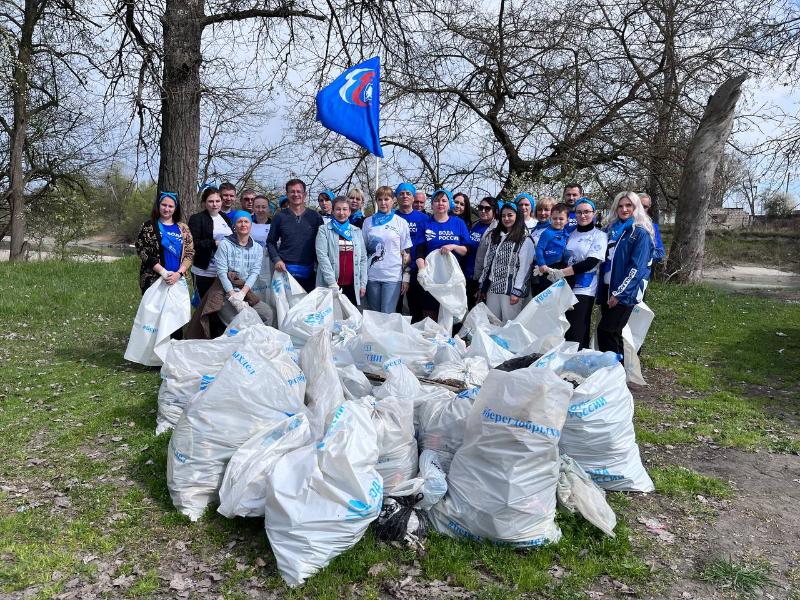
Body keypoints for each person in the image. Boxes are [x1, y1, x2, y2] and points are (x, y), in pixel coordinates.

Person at [596, 191, 655, 357]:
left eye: (629, 205)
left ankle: (611, 372)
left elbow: (637, 268)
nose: (624, 209)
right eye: (620, 206)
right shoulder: (611, 230)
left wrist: (620, 294)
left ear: (636, 207)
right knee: (614, 334)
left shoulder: (640, 233)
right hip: (608, 288)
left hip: (623, 293)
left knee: (606, 331)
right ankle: (619, 375)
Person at [545, 198, 607, 349]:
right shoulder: (570, 234)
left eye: (586, 212)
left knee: (578, 328)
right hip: (565, 287)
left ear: (593, 213)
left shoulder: (599, 235)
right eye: (579, 212)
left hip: (585, 288)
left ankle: (578, 362)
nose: (583, 215)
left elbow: (591, 262)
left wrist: (561, 273)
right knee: (565, 328)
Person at [135, 191, 195, 338]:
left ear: (176, 208)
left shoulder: (183, 228)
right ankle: (154, 357)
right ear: (158, 206)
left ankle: (173, 353)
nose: (167, 209)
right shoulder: (148, 226)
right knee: (155, 320)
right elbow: (142, 251)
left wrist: (179, 273)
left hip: (177, 280)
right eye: (164, 205)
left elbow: (189, 253)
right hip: (154, 279)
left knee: (175, 319)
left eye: (170, 206)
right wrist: (163, 272)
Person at [414, 189, 471, 321]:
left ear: (449, 203)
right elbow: (419, 251)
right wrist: (422, 270)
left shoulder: (458, 223)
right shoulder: (425, 224)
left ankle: (448, 340)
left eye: (444, 200)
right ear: (432, 204)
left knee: (450, 314)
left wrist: (454, 246)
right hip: (431, 276)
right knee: (430, 313)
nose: (440, 203)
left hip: (452, 277)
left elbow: (466, 250)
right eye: (437, 200)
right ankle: (431, 339)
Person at [477, 201, 535, 321]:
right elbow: (488, 262)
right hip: (493, 287)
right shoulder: (496, 236)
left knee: (510, 324)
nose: (506, 218)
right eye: (503, 216)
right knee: (492, 322)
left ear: (517, 216)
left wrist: (517, 290)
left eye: (510, 215)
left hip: (510, 289)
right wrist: (483, 285)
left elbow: (525, 268)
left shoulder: (524, 238)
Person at [215, 211, 273, 326]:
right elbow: (221, 272)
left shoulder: (257, 248)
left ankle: (263, 342)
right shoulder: (225, 244)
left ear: (251, 225)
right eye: (239, 222)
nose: (243, 224)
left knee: (267, 313)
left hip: (244, 291)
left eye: (246, 221)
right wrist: (233, 296)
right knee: (240, 322)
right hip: (226, 292)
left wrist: (242, 293)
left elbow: (254, 273)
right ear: (234, 225)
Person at [267, 179, 324, 292]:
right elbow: (270, 241)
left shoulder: (315, 217)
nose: (296, 194)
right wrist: (277, 260)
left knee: (308, 307)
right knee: (286, 308)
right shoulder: (279, 217)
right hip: (285, 270)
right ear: (287, 194)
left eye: (299, 191)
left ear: (305, 194)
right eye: (292, 191)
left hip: (310, 271)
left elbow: (322, 244)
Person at [362, 186, 412, 313]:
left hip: (392, 276)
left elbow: (406, 252)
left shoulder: (401, 222)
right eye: (380, 199)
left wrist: (406, 277)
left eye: (386, 199)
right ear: (376, 201)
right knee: (374, 314)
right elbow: (363, 251)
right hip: (372, 276)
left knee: (387, 314)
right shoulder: (368, 222)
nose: (383, 203)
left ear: (393, 200)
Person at [316, 196, 368, 307]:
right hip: (331, 285)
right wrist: (331, 283)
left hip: (352, 286)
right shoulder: (324, 230)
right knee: (331, 320)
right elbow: (322, 256)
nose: (341, 212)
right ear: (333, 211)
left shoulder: (356, 231)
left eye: (345, 209)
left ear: (349, 211)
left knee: (350, 320)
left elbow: (363, 259)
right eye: (338, 209)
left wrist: (363, 284)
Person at [188, 186, 234, 303]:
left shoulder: (225, 219)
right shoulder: (197, 219)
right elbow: (194, 243)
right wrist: (215, 243)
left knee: (221, 306)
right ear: (204, 203)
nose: (215, 204)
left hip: (223, 271)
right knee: (205, 305)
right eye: (211, 201)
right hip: (204, 270)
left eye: (217, 201)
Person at [393, 182, 428, 320]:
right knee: (395, 307)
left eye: (408, 193)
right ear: (396, 197)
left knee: (416, 309)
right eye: (401, 193)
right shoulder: (391, 216)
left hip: (416, 269)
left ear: (413, 197)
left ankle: (415, 337)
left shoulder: (424, 218)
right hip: (395, 269)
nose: (405, 196)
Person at [532, 203, 570, 296]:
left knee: (558, 291)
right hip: (547, 268)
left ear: (567, 221)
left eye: (561, 219)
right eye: (554, 218)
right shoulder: (547, 233)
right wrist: (542, 264)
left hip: (560, 266)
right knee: (546, 293)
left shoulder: (566, 234)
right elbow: (539, 248)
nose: (557, 221)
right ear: (550, 218)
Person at [466, 197, 497, 309]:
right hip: (467, 274)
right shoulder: (474, 224)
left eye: (487, 208)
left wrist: (483, 284)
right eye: (481, 207)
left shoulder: (497, 229)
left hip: (481, 278)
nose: (483, 211)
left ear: (495, 211)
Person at [639, 193, 666, 263]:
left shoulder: (652, 227)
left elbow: (660, 253)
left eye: (645, 207)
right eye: (639, 205)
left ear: (648, 208)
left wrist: (640, 253)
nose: (641, 209)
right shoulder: (620, 224)